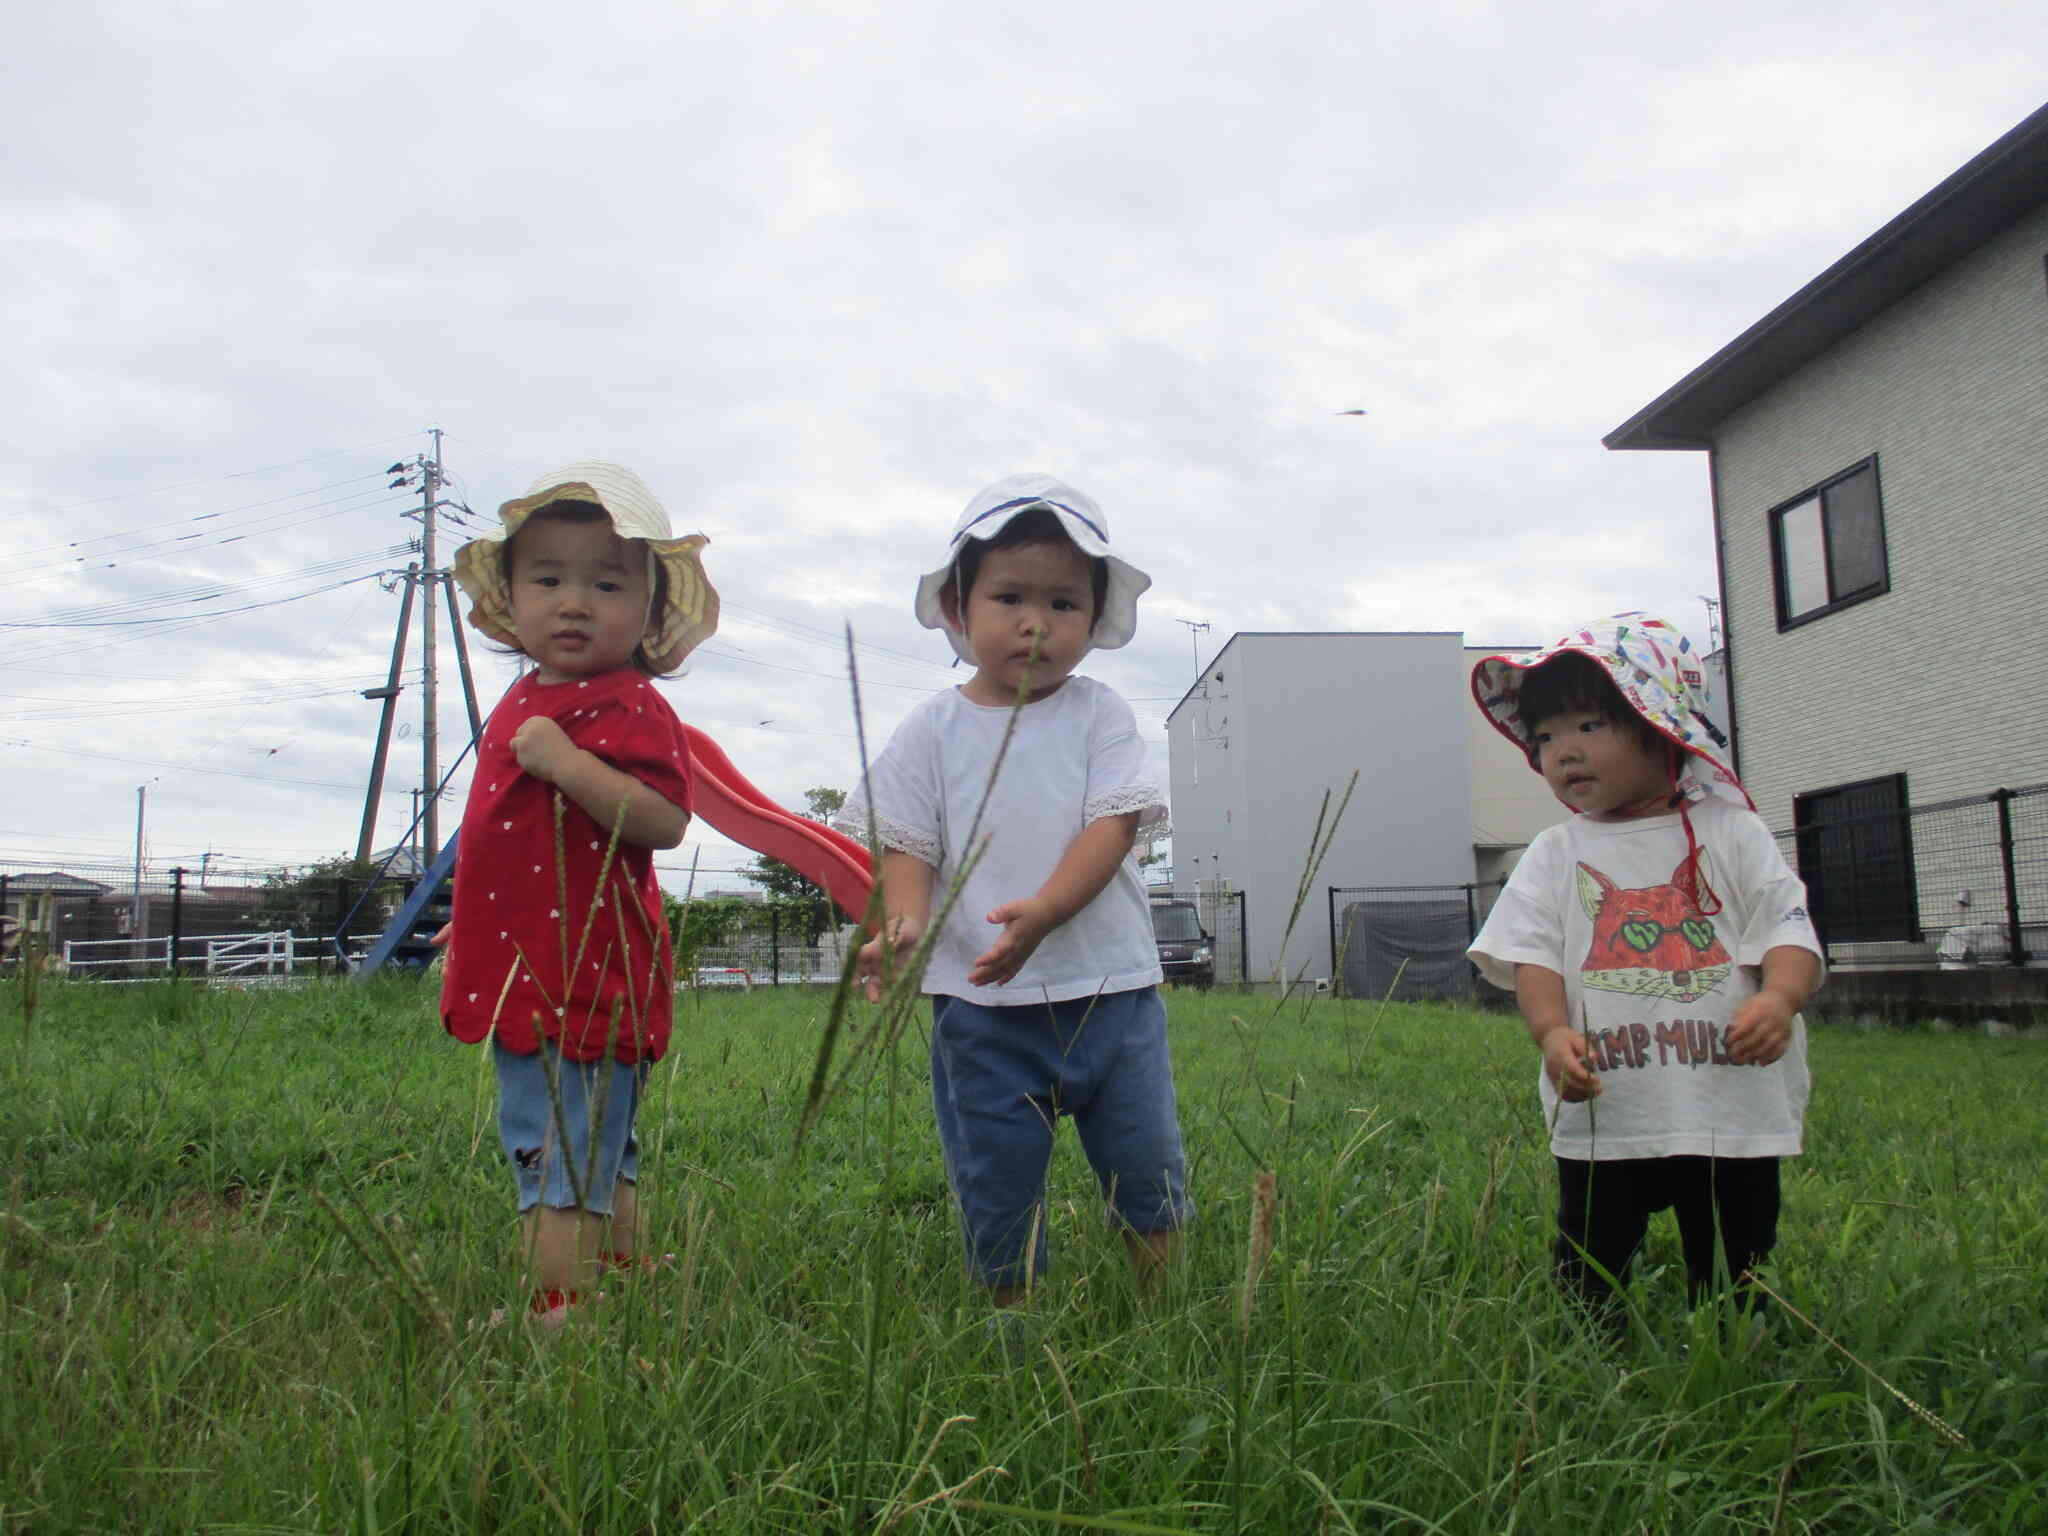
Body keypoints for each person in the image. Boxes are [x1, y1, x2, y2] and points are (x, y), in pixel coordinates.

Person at [839, 473, 1191, 1309]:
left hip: (1111, 993)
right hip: (981, 1008)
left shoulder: (1099, 715)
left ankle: (1162, 1304)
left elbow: (1112, 827)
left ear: (1095, 619)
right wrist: (907, 923)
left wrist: (1049, 910)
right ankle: (1011, 1317)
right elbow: (908, 844)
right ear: (960, 609)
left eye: (1064, 604)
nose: (1036, 623)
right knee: (996, 1173)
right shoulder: (932, 730)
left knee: (1145, 1162)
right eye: (1010, 597)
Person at [1466, 613, 1823, 1331]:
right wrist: (1551, 1030)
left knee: (1734, 1256)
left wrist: (1781, 998)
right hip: (1608, 1099)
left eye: (1590, 726)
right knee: (1592, 1250)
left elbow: (1789, 930)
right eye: (1544, 737)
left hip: (1729, 1099)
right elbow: (1531, 953)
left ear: (1658, 726)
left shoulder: (1729, 831)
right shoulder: (1555, 851)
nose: (1562, 751)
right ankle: (1594, 1349)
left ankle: (1731, 1343)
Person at [441, 462, 718, 1325]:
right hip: (528, 962)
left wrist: (567, 764)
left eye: (605, 583)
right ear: (512, 597)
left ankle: (557, 1311)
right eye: (548, 579)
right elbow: (503, 838)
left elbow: (665, 820)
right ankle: (624, 1280)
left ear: (644, 610)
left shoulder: (627, 702)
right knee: (599, 1145)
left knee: (552, 1149)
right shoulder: (524, 696)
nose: (573, 602)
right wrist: (469, 922)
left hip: (581, 971)